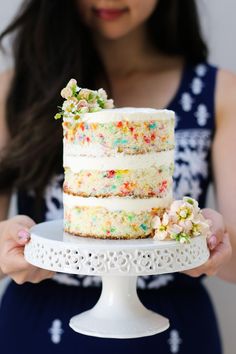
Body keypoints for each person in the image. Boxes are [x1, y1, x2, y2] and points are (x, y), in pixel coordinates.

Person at [0, 0, 235, 353]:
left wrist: (216, 242)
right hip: (40, 328)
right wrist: (6, 248)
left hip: (172, 331)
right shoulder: (14, 90)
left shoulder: (219, 92)